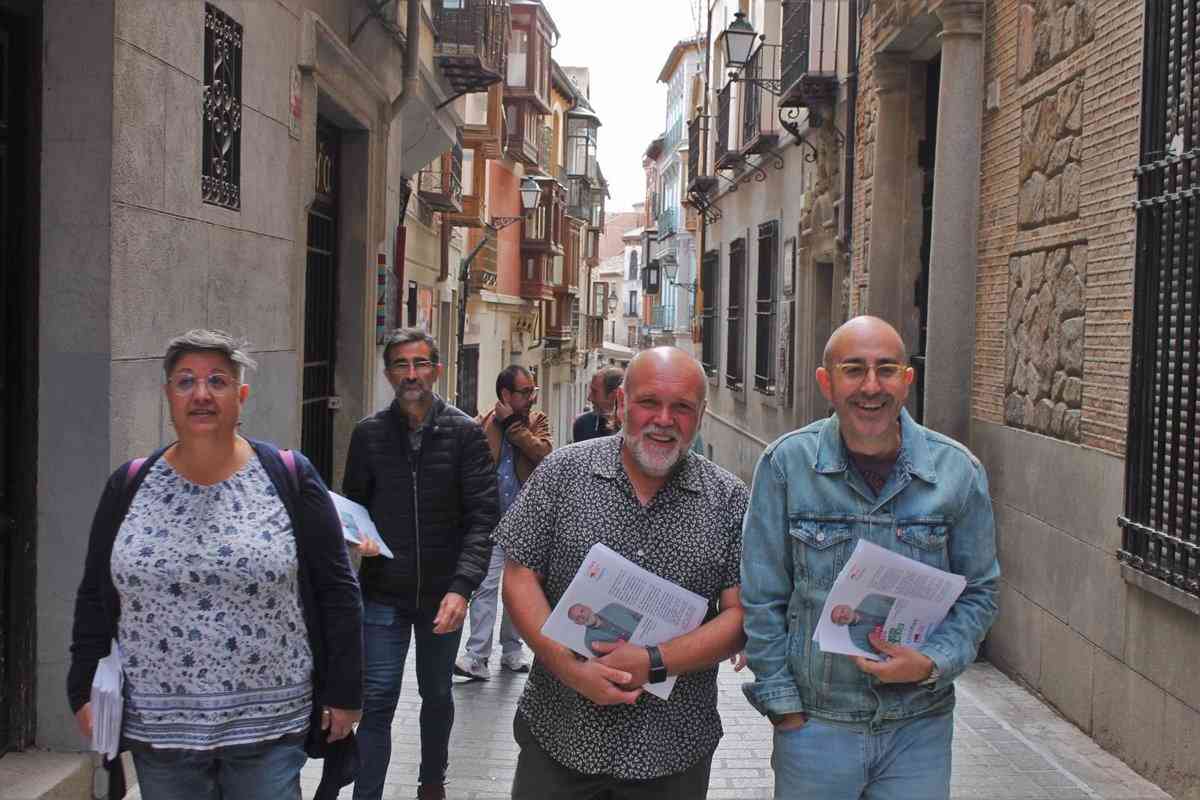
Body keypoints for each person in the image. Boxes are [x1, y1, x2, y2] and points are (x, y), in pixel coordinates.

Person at [67, 329, 363, 800]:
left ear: (241, 396)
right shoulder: (129, 485)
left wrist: (346, 693)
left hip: (268, 730)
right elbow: (94, 594)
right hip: (160, 735)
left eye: (217, 381)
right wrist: (82, 688)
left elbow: (336, 589)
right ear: (168, 395)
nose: (201, 393)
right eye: (185, 381)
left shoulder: (288, 475)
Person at [740, 316, 1000, 800]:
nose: (871, 387)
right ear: (827, 382)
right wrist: (784, 706)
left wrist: (930, 662)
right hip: (816, 727)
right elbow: (762, 597)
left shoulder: (958, 472)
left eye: (886, 369)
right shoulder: (786, 466)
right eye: (854, 369)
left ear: (907, 379)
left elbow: (980, 593)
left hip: (918, 728)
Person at [496, 346, 749, 799]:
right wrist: (568, 668)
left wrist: (654, 662)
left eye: (682, 408)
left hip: (672, 751)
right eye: (650, 402)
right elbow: (519, 575)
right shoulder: (561, 472)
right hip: (560, 737)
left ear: (701, 415)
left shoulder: (728, 499)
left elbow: (739, 617)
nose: (664, 419)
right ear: (621, 405)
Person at [343, 327, 498, 800]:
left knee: (437, 697)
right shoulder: (368, 435)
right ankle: (366, 794)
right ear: (388, 372)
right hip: (384, 593)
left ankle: (432, 784)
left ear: (437, 369)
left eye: (421, 364)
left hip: (442, 595)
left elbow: (483, 519)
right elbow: (353, 507)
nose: (411, 374)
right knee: (378, 702)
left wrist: (462, 587)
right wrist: (358, 540)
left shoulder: (466, 434)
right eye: (401, 365)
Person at [455, 364, 552, 680]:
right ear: (506, 394)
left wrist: (513, 424)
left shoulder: (536, 422)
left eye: (532, 390)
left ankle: (512, 650)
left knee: (518, 589)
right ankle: (476, 656)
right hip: (491, 520)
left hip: (525, 521)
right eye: (525, 392)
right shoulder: (484, 422)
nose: (531, 397)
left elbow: (543, 453)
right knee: (484, 587)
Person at [572, 366, 623, 443]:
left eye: (595, 392)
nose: (589, 398)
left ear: (614, 394)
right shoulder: (583, 425)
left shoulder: (634, 428)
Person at [567, 602, 642, 655]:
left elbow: (640, 616)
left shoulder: (613, 607)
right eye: (578, 618)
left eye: (582, 611)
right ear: (577, 623)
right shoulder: (590, 642)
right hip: (639, 655)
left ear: (588, 608)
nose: (583, 617)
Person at [830, 595, 896, 654]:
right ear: (841, 625)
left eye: (842, 611)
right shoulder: (856, 640)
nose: (844, 615)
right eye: (840, 619)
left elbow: (896, 599)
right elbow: (880, 653)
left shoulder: (870, 599)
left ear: (847, 606)